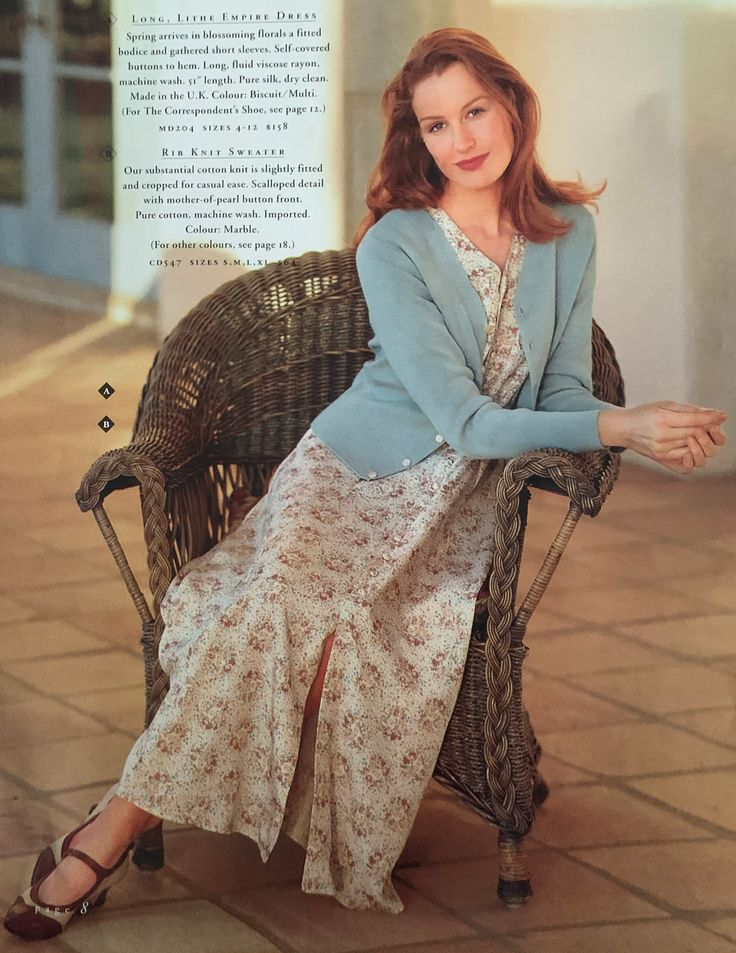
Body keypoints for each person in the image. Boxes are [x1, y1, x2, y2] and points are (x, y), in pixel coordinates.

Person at [5, 26, 727, 941]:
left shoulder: (568, 231)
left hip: (456, 507)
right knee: (280, 614)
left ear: (512, 105)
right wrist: (624, 429)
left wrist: (638, 424)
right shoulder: (398, 243)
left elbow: (561, 392)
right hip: (346, 473)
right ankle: (108, 831)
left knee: (350, 650)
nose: (462, 138)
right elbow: (467, 420)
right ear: (415, 139)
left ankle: (105, 832)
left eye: (474, 110)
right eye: (435, 125)